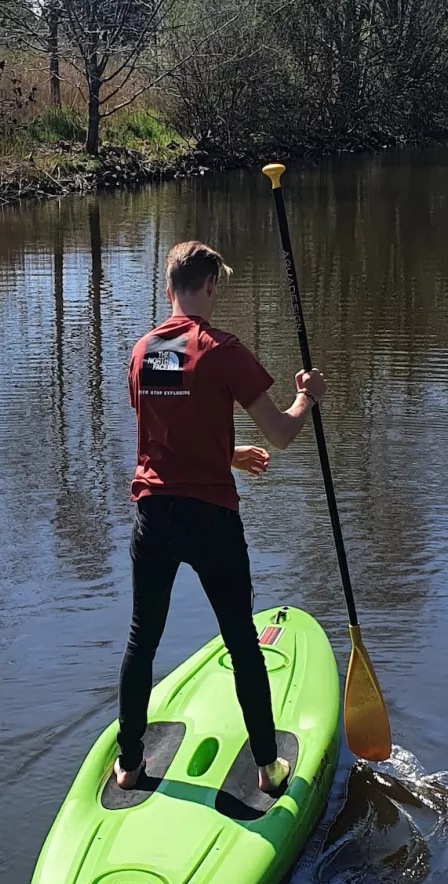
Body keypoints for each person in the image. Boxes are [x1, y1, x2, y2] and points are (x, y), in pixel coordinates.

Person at [116, 240, 326, 795]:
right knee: (240, 641)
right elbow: (280, 434)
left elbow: (167, 432)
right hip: (210, 519)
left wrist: (227, 453)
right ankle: (268, 767)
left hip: (153, 516)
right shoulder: (222, 349)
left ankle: (130, 764)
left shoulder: (145, 353)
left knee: (142, 640)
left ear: (169, 288)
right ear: (210, 286)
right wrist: (307, 398)